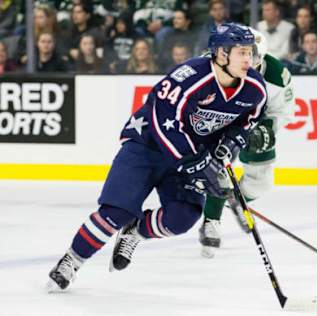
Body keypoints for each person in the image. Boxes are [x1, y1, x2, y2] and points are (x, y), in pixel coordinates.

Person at [46, 22, 267, 292]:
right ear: (222, 54)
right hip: (147, 146)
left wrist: (226, 148)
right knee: (116, 212)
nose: (249, 58)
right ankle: (72, 260)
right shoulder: (188, 78)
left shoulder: (254, 87)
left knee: (183, 217)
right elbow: (164, 125)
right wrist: (199, 164)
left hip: (189, 154)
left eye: (250, 52)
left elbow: (246, 122)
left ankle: (136, 231)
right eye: (242, 52)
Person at [199, 27, 295, 258]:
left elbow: (281, 111)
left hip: (255, 122)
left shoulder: (277, 76)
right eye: (242, 56)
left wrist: (264, 130)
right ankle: (211, 220)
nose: (248, 64)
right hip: (219, 121)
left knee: (261, 182)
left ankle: (235, 201)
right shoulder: (209, 66)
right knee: (217, 171)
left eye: (253, 58)